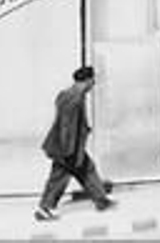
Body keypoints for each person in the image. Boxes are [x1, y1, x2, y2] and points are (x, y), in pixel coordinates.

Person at [35, 65, 116, 222]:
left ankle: (101, 200)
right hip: (68, 148)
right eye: (93, 80)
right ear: (88, 80)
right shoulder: (76, 98)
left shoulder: (67, 94)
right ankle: (45, 208)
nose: (94, 84)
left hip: (72, 146)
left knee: (87, 170)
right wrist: (68, 150)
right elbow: (67, 125)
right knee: (58, 178)